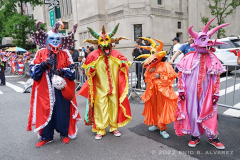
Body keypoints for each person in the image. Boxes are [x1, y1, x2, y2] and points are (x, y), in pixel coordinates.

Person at [174, 18, 229, 150]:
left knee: (210, 112)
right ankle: (195, 136)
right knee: (192, 113)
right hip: (190, 92)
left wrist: (216, 92)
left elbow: (216, 77)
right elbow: (181, 75)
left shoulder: (213, 58)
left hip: (207, 92)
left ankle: (212, 137)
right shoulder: (188, 57)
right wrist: (181, 90)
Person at [27, 21, 81, 147]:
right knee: (45, 111)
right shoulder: (40, 53)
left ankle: (64, 133)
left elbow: (73, 71)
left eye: (58, 39)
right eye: (52, 38)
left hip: (61, 89)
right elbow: (33, 73)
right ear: (45, 40)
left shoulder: (65, 53)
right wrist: (43, 65)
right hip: (45, 90)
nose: (55, 41)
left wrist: (62, 71)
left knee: (63, 111)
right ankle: (46, 136)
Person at [79, 23, 132, 140]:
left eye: (107, 41)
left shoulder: (117, 54)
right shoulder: (93, 56)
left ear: (111, 42)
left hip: (114, 86)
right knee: (100, 106)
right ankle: (100, 129)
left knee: (114, 105)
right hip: (99, 87)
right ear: (98, 43)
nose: (105, 45)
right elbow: (86, 71)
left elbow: (125, 64)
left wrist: (124, 65)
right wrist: (90, 71)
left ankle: (114, 127)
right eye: (102, 42)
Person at [136, 37, 178, 139]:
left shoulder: (165, 65)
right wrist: (150, 72)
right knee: (154, 107)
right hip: (152, 91)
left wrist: (160, 76)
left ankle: (162, 127)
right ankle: (155, 124)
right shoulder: (151, 66)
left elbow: (170, 77)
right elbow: (147, 77)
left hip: (162, 92)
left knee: (161, 108)